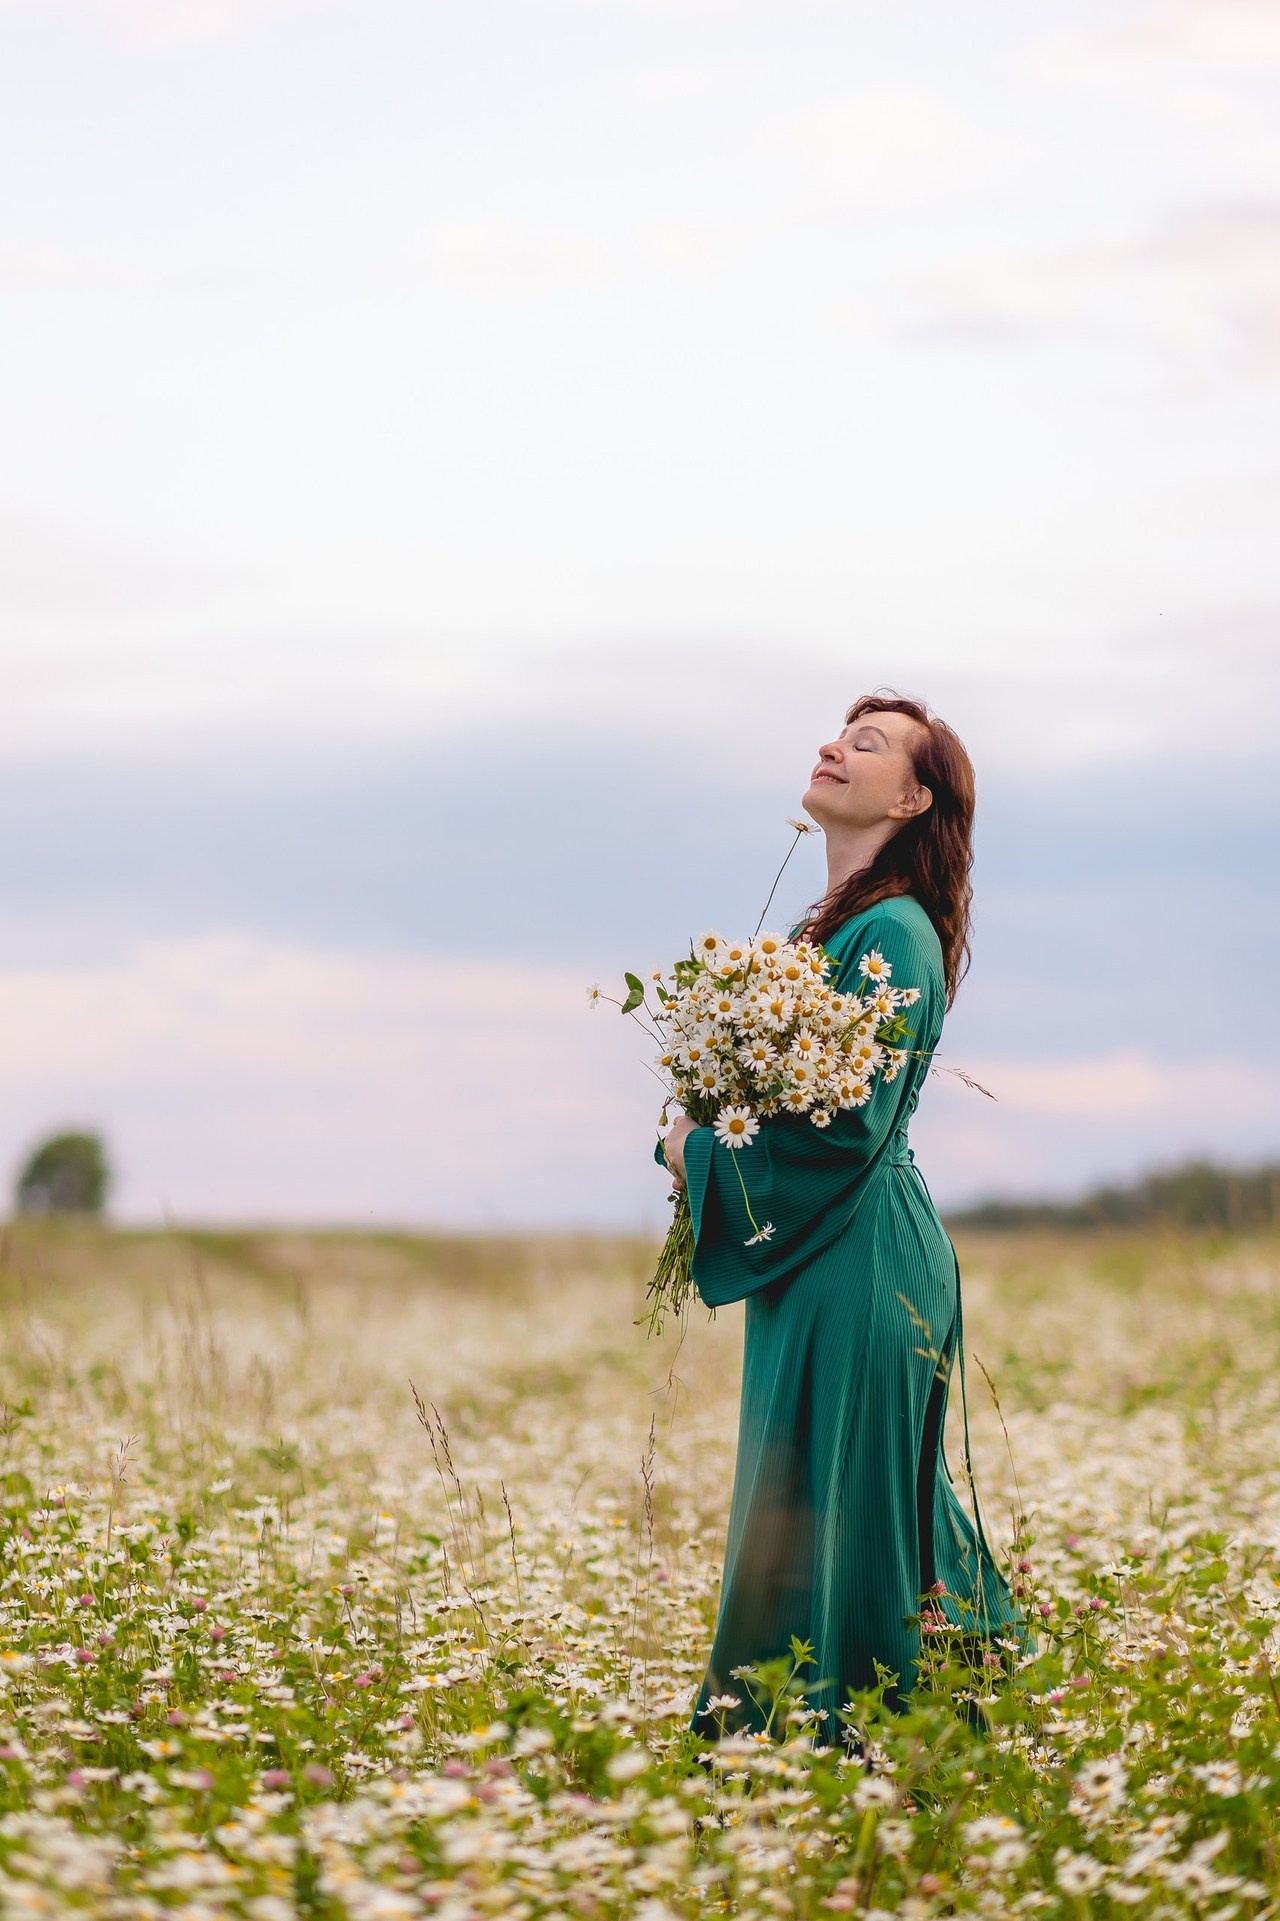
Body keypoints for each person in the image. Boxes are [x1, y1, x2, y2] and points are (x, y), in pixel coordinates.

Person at [659, 692, 1019, 1739]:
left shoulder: (890, 933)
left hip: (860, 1256)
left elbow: (840, 1132)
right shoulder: (841, 925)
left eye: (864, 743)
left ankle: (878, 1736)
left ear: (912, 796)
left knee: (860, 1506)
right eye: (834, 732)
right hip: (816, 1261)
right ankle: (803, 1734)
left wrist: (689, 1148)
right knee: (809, 1502)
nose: (829, 746)